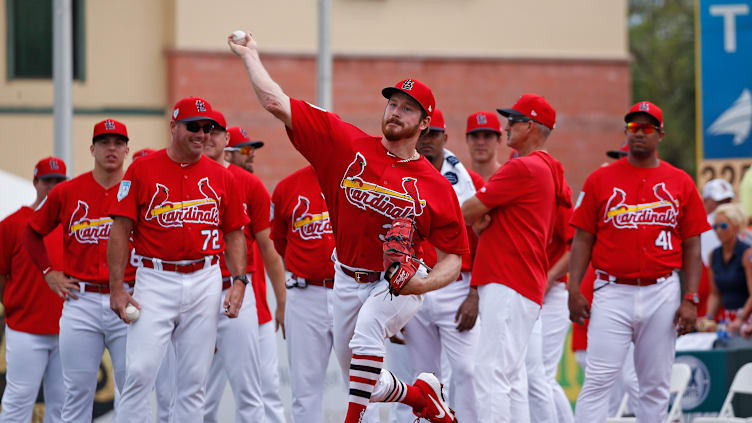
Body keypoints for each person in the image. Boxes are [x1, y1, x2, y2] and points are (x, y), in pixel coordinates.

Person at [229, 32, 469, 423]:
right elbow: (276, 101)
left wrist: (420, 285)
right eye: (392, 103)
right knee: (363, 380)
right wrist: (250, 55)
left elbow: (454, 258)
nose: (395, 111)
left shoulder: (435, 185)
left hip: (400, 278)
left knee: (368, 336)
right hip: (346, 277)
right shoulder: (346, 145)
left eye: (408, 108)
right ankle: (421, 395)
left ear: (424, 122)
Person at [107, 97, 249, 423]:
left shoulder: (222, 176)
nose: (202, 133)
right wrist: (117, 287)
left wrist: (239, 281)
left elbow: (234, 234)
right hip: (155, 278)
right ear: (173, 127)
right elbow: (120, 230)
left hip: (205, 278)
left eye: (208, 127)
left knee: (193, 381)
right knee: (140, 372)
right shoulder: (142, 169)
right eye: (194, 126)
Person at [568, 101, 709, 422]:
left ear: (660, 134)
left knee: (654, 385)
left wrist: (691, 298)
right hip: (612, 290)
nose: (639, 134)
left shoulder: (680, 181)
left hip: (662, 291)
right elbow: (583, 239)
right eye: (633, 127)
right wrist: (574, 288)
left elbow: (692, 246)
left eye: (647, 128)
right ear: (626, 132)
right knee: (599, 379)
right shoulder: (600, 180)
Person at [462, 94, 571, 423]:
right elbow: (483, 216)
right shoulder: (547, 167)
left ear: (532, 126)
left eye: (514, 120)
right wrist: (483, 219)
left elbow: (466, 210)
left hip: (508, 278)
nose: (507, 126)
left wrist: (479, 217)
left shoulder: (524, 166)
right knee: (512, 378)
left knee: (491, 373)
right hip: (520, 280)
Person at [24, 120, 134, 422]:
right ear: (92, 148)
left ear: (127, 148)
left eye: (117, 142)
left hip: (127, 297)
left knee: (133, 390)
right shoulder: (68, 191)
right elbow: (31, 232)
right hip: (81, 300)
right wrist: (49, 271)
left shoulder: (138, 189)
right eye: (104, 142)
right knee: (76, 393)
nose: (110, 148)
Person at [180, 110, 264, 423]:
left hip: (234, 287)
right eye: (202, 130)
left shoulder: (246, 182)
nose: (208, 136)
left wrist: (251, 287)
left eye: (215, 131)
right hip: (195, 287)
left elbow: (264, 244)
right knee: (192, 387)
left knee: (249, 387)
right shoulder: (184, 176)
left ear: (226, 139)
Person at [411, 109, 482, 423]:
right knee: (423, 377)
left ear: (445, 137)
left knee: (467, 371)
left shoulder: (469, 182)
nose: (427, 141)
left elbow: (486, 244)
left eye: (434, 133)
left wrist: (476, 293)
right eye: (423, 133)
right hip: (414, 287)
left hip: (457, 286)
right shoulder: (399, 180)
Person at [224, 125, 287, 423]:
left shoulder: (253, 186)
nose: (252, 156)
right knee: (206, 395)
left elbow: (271, 251)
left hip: (254, 303)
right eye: (245, 150)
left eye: (253, 150)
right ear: (227, 153)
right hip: (215, 299)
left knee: (265, 391)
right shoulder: (225, 182)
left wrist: (280, 300)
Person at [0, 157, 67, 423]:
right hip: (25, 329)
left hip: (68, 328)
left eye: (58, 181)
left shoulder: (72, 224)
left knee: (64, 403)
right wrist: (14, 304)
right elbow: (2, 276)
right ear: (36, 182)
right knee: (18, 400)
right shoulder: (12, 224)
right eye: (47, 180)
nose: (52, 186)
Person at [270, 164, 336, 423]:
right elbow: (279, 242)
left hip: (352, 290)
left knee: (364, 387)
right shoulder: (287, 187)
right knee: (304, 390)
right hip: (306, 293)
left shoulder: (361, 183)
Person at [698, 203, 752, 335]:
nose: (718, 231)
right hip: (726, 320)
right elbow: (715, 294)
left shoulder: (747, 254)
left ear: (736, 226)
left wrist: (741, 318)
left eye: (723, 226)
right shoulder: (713, 255)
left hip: (746, 319)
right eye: (714, 227)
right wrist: (708, 318)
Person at [465, 111, 503, 181]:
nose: (480, 142)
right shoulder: (460, 181)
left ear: (499, 140)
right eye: (475, 136)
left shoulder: (509, 178)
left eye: (487, 136)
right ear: (467, 140)